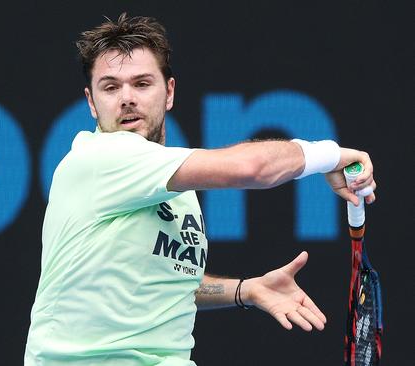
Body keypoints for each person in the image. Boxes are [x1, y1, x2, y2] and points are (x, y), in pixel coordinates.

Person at [24, 13, 376, 366]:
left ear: (169, 92)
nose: (126, 98)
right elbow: (250, 168)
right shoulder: (101, 157)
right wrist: (330, 155)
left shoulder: (175, 191)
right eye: (111, 87)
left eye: (142, 84)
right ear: (91, 101)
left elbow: (169, 282)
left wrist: (245, 290)